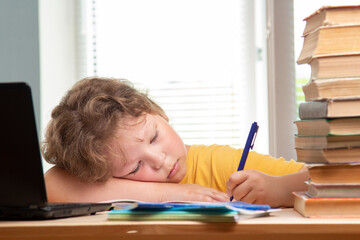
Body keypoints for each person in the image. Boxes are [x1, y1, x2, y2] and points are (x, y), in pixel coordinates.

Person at [42, 77, 309, 207]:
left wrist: (277, 189)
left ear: (160, 114)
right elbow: (52, 184)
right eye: (135, 168)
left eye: (154, 137)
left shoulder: (218, 163)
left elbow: (330, 182)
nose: (159, 160)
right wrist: (167, 194)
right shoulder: (117, 187)